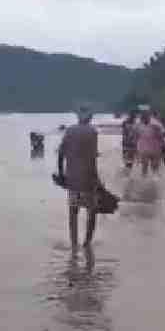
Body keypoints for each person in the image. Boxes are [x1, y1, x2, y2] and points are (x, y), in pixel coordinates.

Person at [58, 104, 102, 249]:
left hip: (72, 179)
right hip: (88, 179)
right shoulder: (92, 132)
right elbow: (92, 158)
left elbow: (61, 154)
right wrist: (97, 179)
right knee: (92, 212)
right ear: (90, 117)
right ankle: (87, 243)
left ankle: (74, 243)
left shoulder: (69, 131)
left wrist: (61, 174)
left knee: (73, 212)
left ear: (78, 116)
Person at [134, 110, 165, 178]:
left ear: (149, 117)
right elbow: (135, 136)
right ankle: (145, 180)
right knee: (144, 166)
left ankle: (154, 180)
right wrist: (135, 149)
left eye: (146, 117)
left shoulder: (156, 125)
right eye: (143, 118)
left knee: (155, 166)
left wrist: (164, 146)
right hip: (143, 149)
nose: (144, 119)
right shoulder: (138, 125)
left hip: (155, 148)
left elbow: (161, 136)